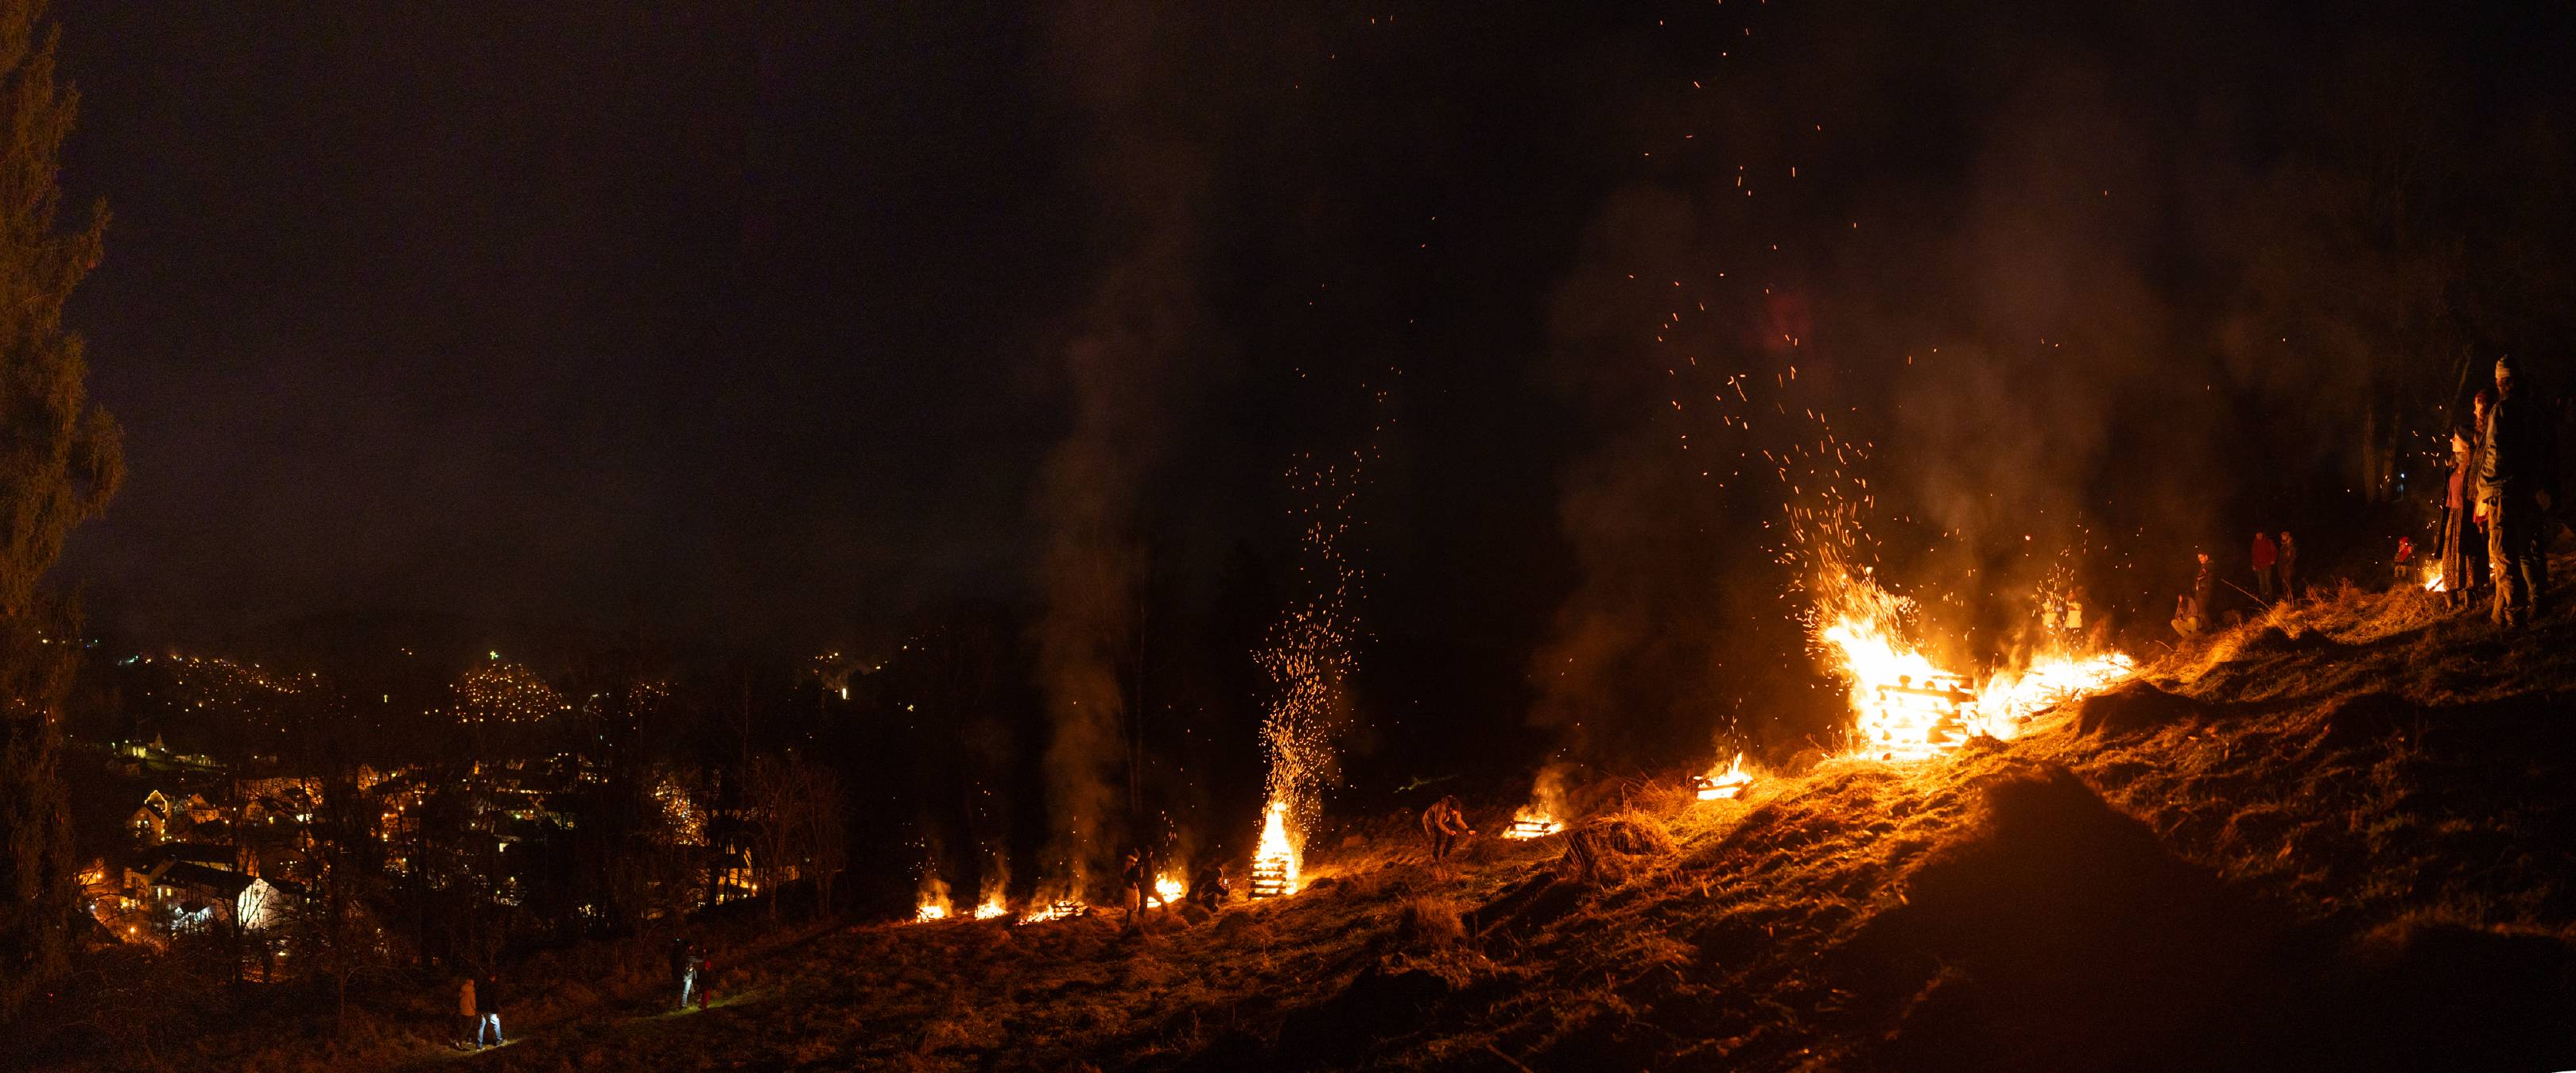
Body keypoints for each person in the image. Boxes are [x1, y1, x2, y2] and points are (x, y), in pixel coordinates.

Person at [2480, 354, 2558, 627]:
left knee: (2505, 556)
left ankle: (2514, 619)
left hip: (2503, 491)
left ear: (2503, 380)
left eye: (2498, 379)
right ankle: (2509, 613)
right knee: (2522, 550)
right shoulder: (2533, 412)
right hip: (2526, 491)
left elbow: (2495, 453)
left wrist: (2484, 487)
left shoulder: (2502, 410)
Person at [2442, 426, 2487, 610]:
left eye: (2456, 438)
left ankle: (2472, 597)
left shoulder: (2474, 465)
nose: (2452, 440)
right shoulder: (2452, 465)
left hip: (2467, 516)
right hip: (2453, 516)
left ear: (2466, 443)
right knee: (2450, 557)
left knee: (2469, 557)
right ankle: (2452, 598)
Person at [1422, 795, 1474, 863]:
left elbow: (1458, 821)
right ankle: (1436, 859)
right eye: (1453, 811)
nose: (1454, 813)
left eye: (1456, 812)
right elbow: (1438, 822)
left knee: (1453, 835)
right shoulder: (1441, 807)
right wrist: (1448, 831)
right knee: (1439, 837)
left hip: (1444, 820)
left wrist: (1468, 830)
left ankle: (1445, 856)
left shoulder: (1456, 809)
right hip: (1431, 821)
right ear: (1450, 808)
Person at [475, 973, 503, 1048]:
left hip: (482, 1010)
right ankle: (499, 1040)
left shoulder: (481, 986)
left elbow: (478, 998)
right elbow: (494, 999)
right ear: (493, 978)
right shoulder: (492, 986)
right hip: (491, 1009)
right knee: (496, 1025)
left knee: (481, 1026)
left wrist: (479, 1008)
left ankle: (479, 1044)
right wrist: (497, 1011)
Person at [670, 937, 697, 1011]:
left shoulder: (680, 953)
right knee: (685, 991)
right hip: (686, 975)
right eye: (691, 947)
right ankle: (682, 1005)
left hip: (681, 974)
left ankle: (681, 1004)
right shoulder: (686, 954)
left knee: (683, 990)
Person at [2251, 531, 2277, 600]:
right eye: (2257, 534)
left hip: (2267, 565)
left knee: (2268, 582)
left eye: (2260, 534)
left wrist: (2273, 560)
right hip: (2259, 566)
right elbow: (2253, 555)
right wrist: (2253, 565)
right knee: (2261, 583)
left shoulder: (2268, 541)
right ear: (2256, 535)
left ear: (2262, 534)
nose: (2259, 535)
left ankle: (2271, 598)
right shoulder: (2255, 543)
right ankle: (2264, 599)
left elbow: (2274, 551)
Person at [2192, 552, 2214, 623]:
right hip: (2200, 590)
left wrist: (2200, 575)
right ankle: (2205, 627)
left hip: (2205, 590)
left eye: (2201, 557)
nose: (2200, 560)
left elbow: (2204, 572)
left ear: (2206, 557)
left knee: (2203, 609)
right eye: (2199, 558)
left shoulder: (2210, 564)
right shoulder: (2204, 565)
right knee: (2200, 609)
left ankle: (2210, 627)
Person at [2277, 532, 2299, 602]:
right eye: (2282, 536)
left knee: (2288, 583)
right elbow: (2281, 557)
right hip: (2282, 567)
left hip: (2288, 567)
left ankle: (2291, 598)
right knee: (2283, 583)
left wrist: (2288, 564)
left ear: (2287, 537)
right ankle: (2285, 598)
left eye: (2284, 536)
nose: (2283, 537)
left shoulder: (2291, 545)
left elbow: (2294, 556)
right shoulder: (2283, 546)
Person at [456, 974, 478, 1048]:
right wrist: (476, 1009)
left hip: (463, 1011)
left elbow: (459, 999)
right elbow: (473, 1002)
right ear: (472, 983)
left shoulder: (462, 990)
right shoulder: (471, 991)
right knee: (468, 1027)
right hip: (470, 1012)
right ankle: (459, 1040)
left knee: (464, 1026)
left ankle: (468, 1039)